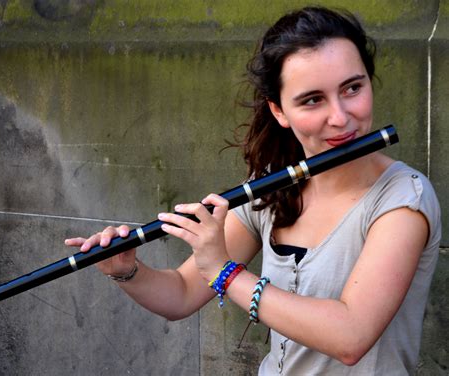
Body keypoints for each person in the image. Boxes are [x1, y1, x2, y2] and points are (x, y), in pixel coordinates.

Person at [65, 6, 441, 375]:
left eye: (352, 88)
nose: (340, 117)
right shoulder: (274, 185)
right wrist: (128, 270)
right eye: (313, 99)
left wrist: (225, 273)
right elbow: (181, 294)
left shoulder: (403, 199)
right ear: (279, 111)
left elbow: (351, 336)